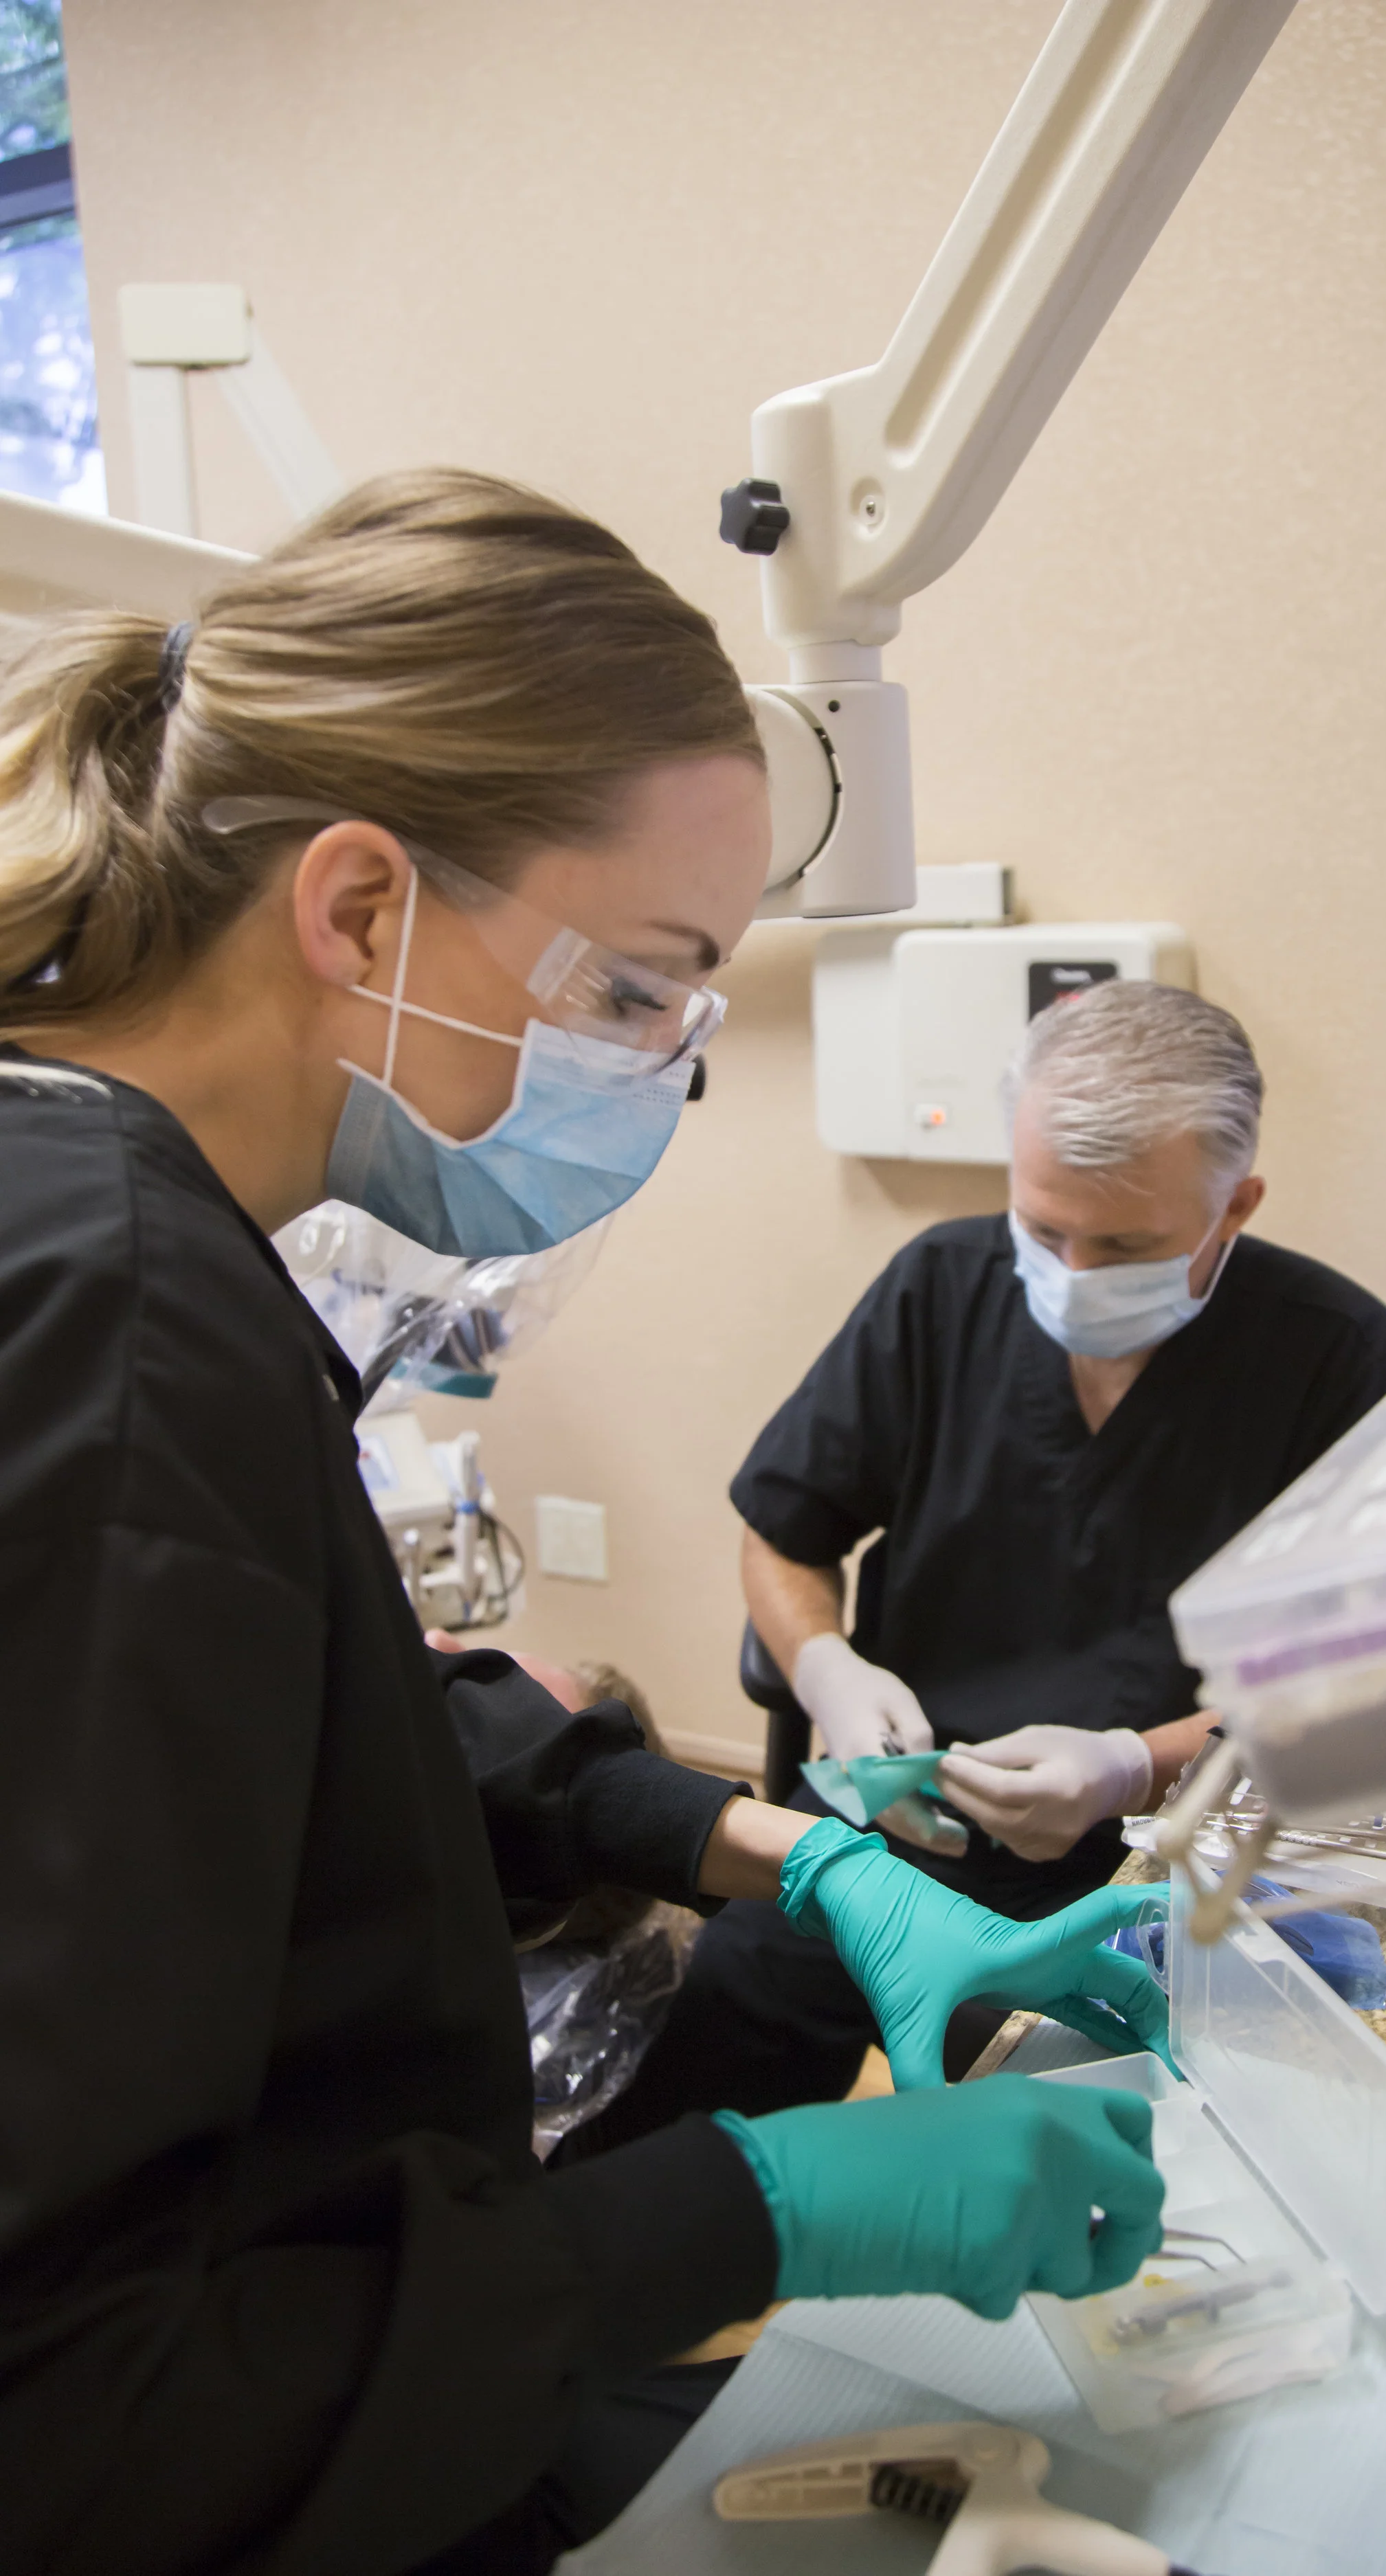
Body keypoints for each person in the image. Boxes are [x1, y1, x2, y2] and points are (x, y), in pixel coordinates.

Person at [0, 471, 1170, 2576]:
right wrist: (765, 2205)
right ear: (362, 909)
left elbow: (273, 1725)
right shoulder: (131, 1340)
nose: (658, 1077)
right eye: (638, 993)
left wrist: (782, 1848)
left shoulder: (94, 1225)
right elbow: (70, 2406)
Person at [593, 980, 1386, 2134]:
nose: (1071, 1273)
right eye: (1043, 1229)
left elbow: (1345, 1688)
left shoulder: (1335, 1358)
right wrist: (828, 1668)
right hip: (894, 1831)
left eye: (1125, 1246)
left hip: (1145, 1868)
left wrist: (1131, 1767)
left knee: (1080, 2133)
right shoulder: (941, 1287)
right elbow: (783, 1531)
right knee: (705, 2059)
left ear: (1233, 1208)